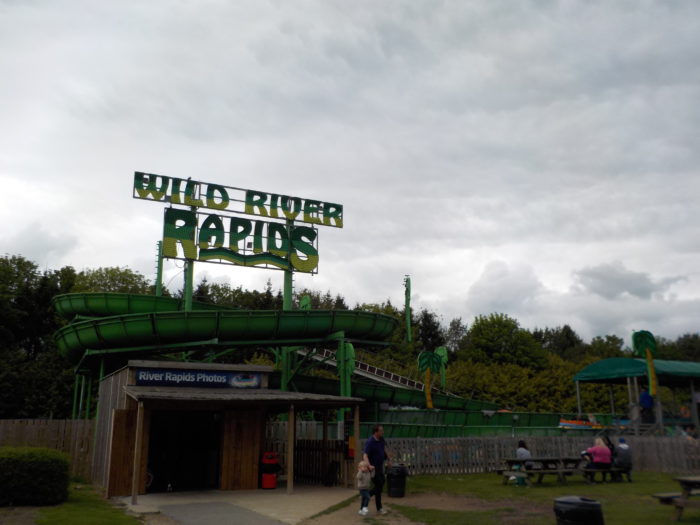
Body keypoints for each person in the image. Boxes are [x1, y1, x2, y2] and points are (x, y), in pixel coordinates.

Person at [363, 424, 391, 515]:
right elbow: (365, 455)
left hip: (380, 467)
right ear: (376, 432)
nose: (382, 432)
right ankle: (379, 508)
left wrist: (389, 460)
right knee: (379, 485)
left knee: (382, 482)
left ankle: (367, 495)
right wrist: (369, 465)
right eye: (381, 430)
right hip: (373, 469)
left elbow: (383, 449)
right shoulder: (370, 442)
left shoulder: (381, 439)